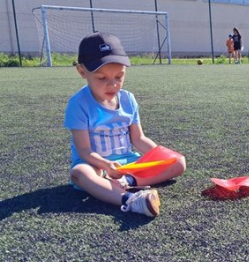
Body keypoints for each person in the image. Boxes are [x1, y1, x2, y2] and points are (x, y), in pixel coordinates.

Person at [64, 32, 186, 217]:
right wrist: (106, 165)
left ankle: (127, 181)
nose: (112, 85)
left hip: (129, 165)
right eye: (102, 78)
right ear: (82, 72)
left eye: (119, 77)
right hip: (97, 166)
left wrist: (158, 156)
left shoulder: (128, 99)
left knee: (178, 161)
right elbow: (84, 151)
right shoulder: (78, 104)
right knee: (79, 173)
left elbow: (138, 138)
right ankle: (130, 200)